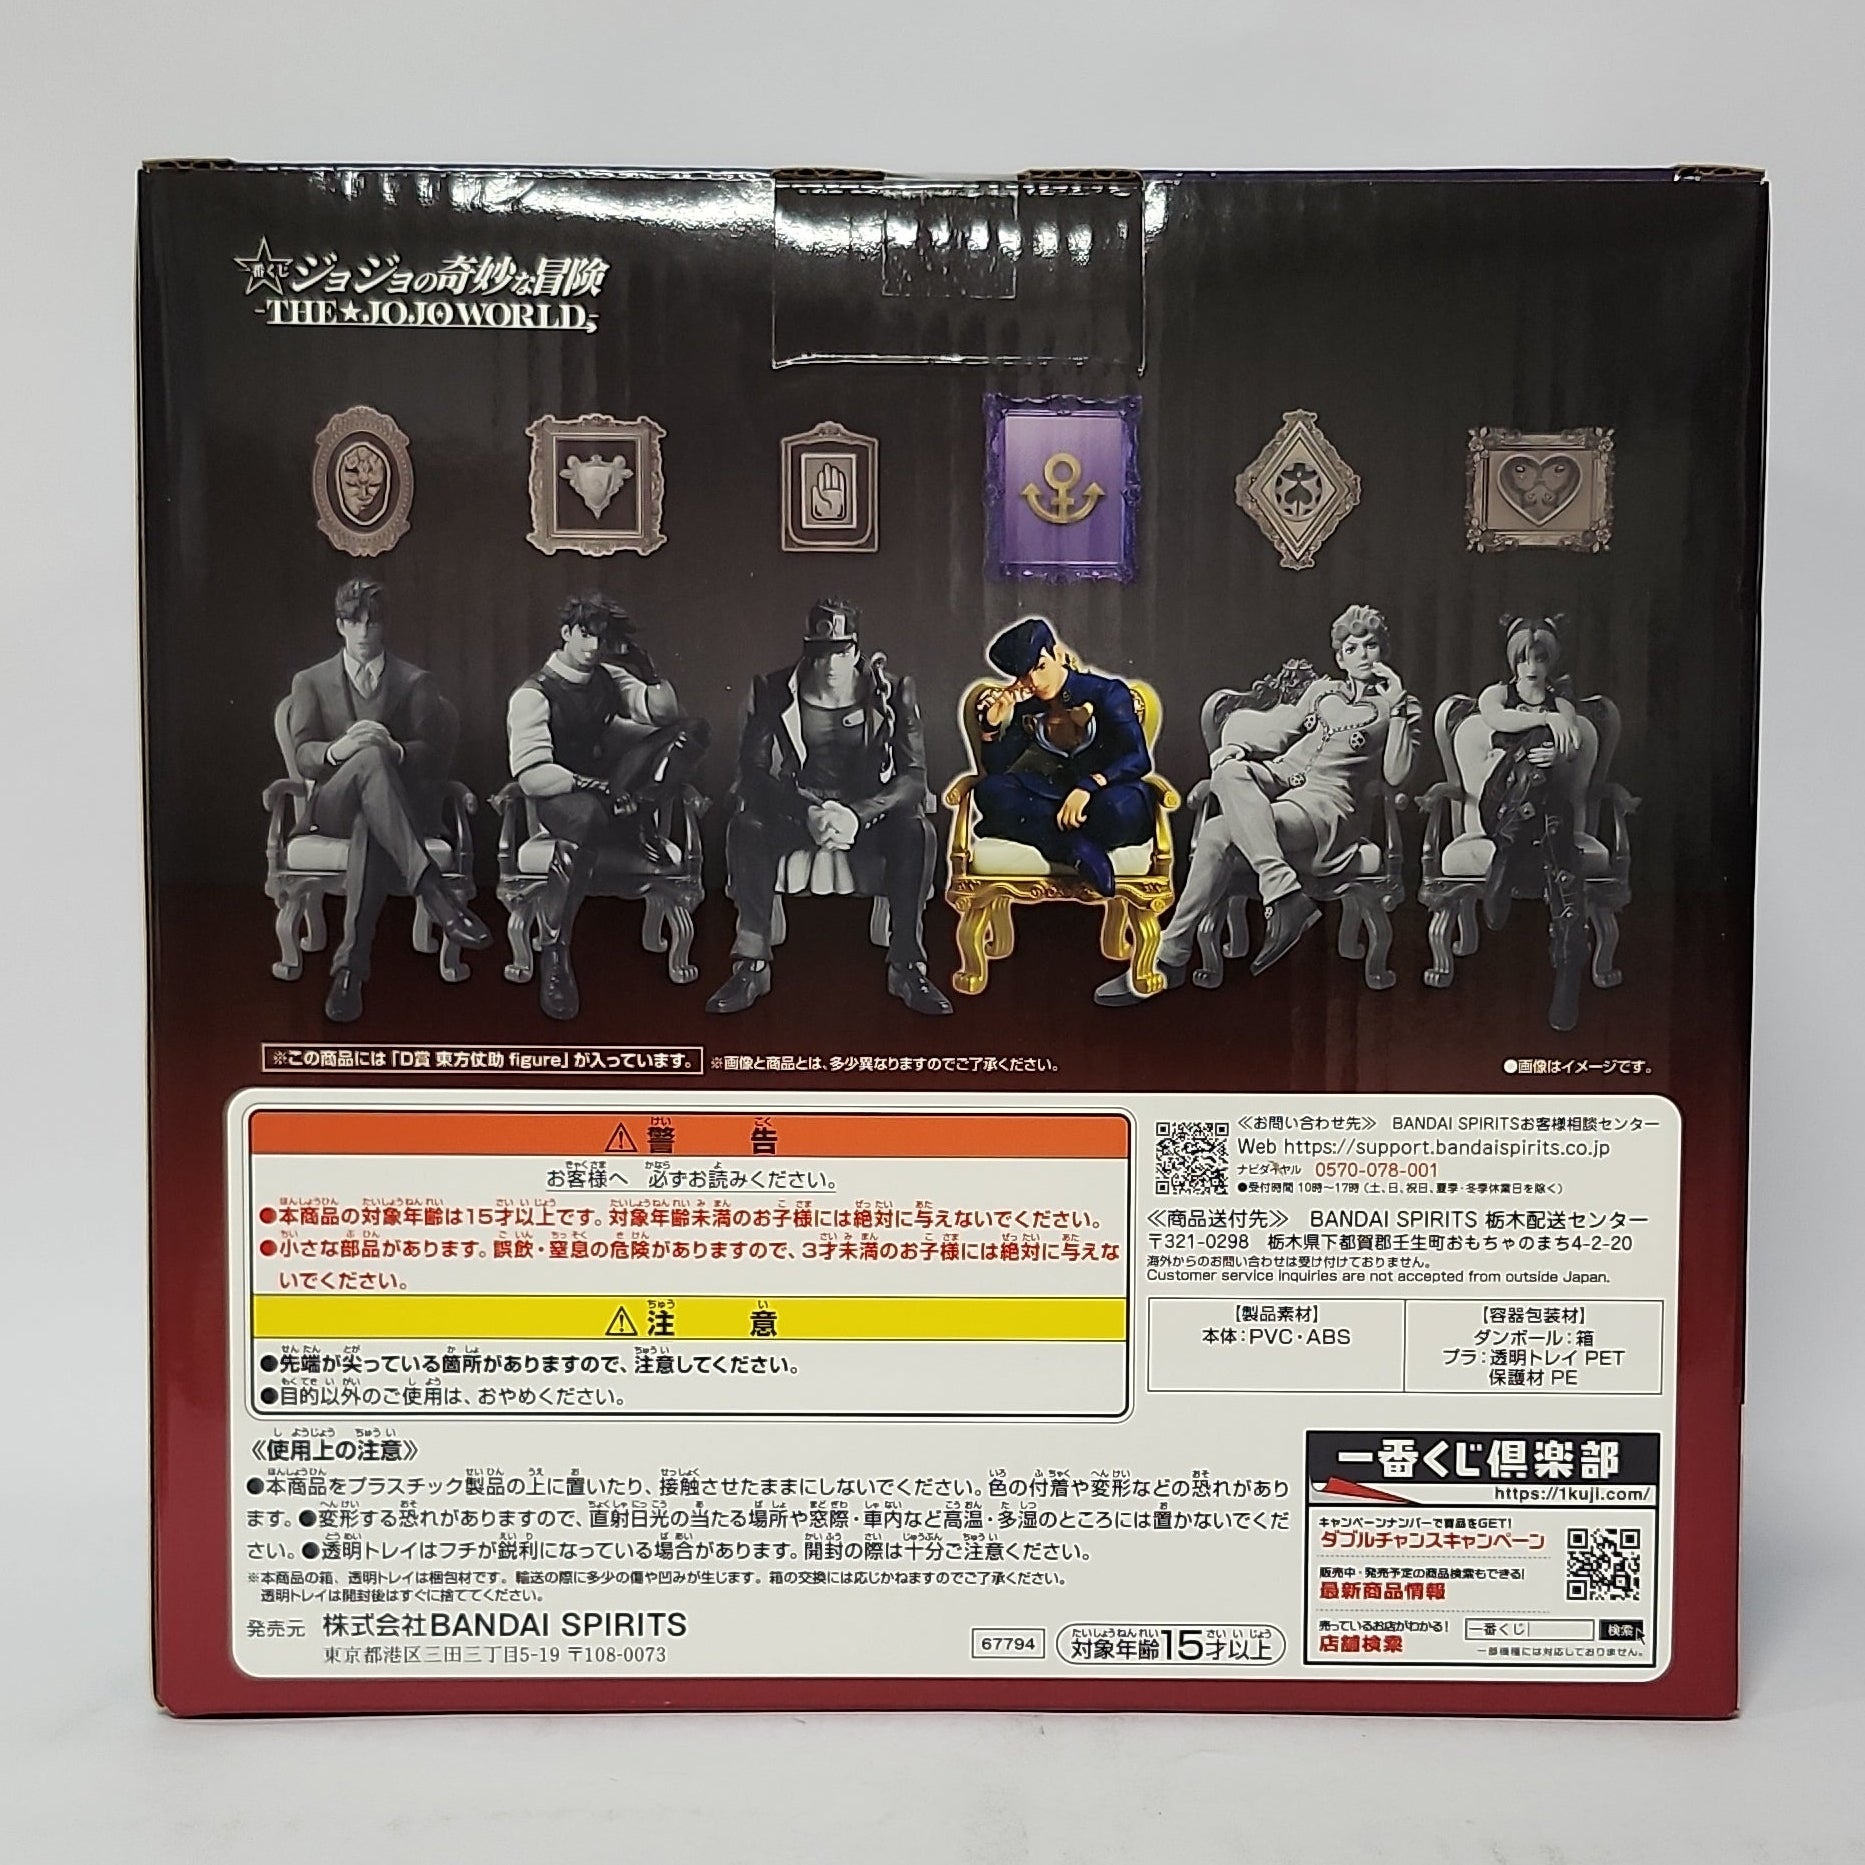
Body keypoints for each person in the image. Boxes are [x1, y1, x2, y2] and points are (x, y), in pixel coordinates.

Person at [1095, 603, 1420, 1005]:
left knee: (1217, 830)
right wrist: (1238, 748)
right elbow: (1280, 733)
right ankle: (1283, 893)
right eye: (1352, 648)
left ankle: (1170, 956)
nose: (1363, 656)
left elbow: (1397, 775)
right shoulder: (1322, 692)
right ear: (1340, 657)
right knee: (1229, 772)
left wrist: (1398, 707)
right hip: (1283, 781)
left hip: (1330, 808)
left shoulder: (1398, 707)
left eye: (1371, 646)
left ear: (1383, 651)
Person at [706, 596, 950, 1016]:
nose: (831, 664)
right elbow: (753, 773)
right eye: (821, 654)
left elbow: (914, 778)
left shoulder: (892, 691)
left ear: (856, 650)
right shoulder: (774, 689)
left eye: (841, 652)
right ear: (807, 652)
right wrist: (806, 811)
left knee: (916, 830)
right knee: (746, 826)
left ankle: (908, 965)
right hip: (799, 807)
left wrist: (858, 814)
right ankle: (751, 964)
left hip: (865, 812)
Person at [284, 576, 491, 1024]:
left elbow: (432, 756)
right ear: (340, 625)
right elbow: (303, 755)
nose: (363, 632)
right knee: (368, 758)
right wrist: (341, 749)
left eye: (372, 622)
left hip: (392, 809)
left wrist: (394, 749)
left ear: (385, 625)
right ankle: (433, 890)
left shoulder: (415, 681)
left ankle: (348, 973)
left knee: (371, 817)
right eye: (354, 621)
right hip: (333, 805)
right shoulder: (310, 681)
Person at [506, 592, 710, 1020]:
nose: (594, 646)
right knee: (587, 816)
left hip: (615, 793)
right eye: (585, 635)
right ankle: (556, 955)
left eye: (601, 637)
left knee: (691, 730)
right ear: (566, 633)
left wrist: (647, 670)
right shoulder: (533, 694)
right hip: (562, 798)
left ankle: (637, 816)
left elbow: (667, 716)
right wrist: (594, 786)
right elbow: (531, 776)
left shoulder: (609, 677)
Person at [970, 616, 1154, 897]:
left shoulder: (1107, 693)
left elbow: (1139, 758)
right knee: (989, 791)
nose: (1035, 682)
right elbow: (997, 767)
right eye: (1024, 676)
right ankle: (1073, 847)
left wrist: (1089, 786)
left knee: (1118, 811)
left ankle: (1047, 835)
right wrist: (990, 726)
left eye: (1040, 667)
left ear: (1057, 655)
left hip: (1108, 794)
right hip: (1055, 798)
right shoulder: (1028, 708)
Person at [1477, 613, 1588, 1030]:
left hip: (1547, 814)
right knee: (1534, 752)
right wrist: (1546, 721)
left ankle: (1567, 971)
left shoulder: (1562, 702)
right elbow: (1499, 720)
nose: (1531, 667)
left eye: (1539, 658)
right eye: (1524, 658)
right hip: (1500, 803)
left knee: (1560, 853)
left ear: (1550, 660)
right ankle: (1568, 966)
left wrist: (1558, 752)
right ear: (1513, 660)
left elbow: (1573, 747)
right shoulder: (1498, 694)